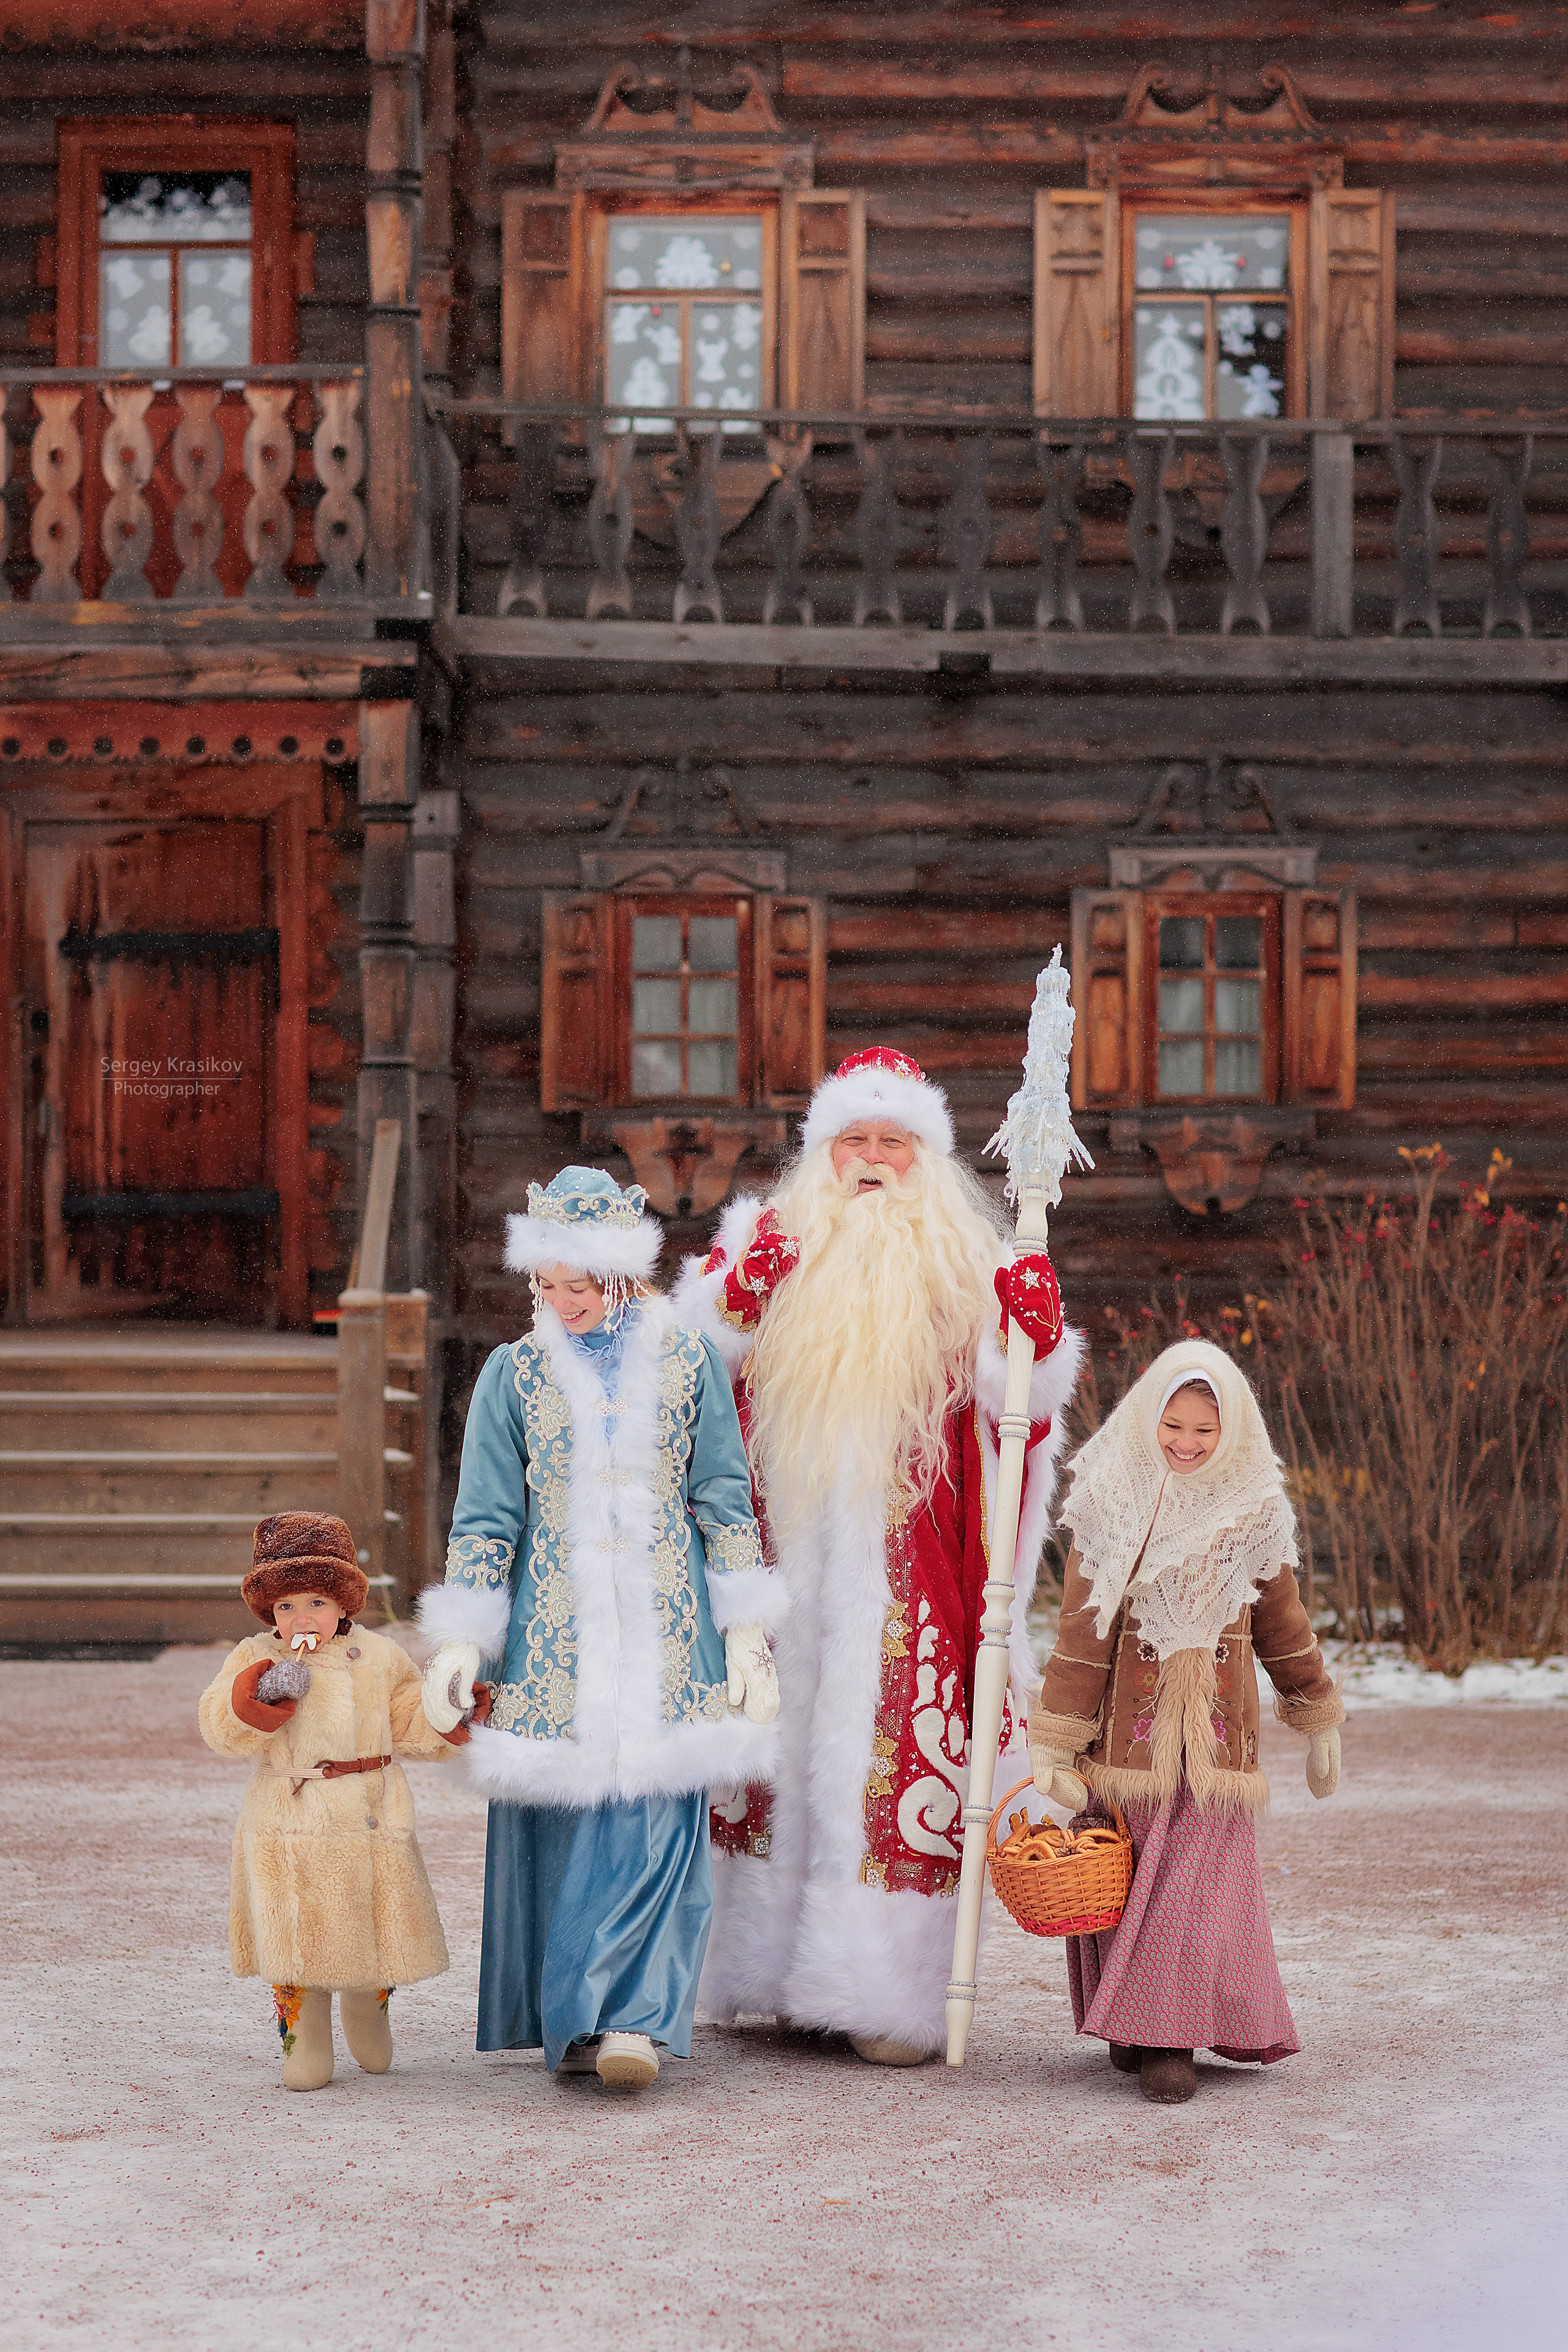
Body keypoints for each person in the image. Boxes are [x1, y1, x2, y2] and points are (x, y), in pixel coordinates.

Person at [672, 1046, 1082, 2064]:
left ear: (924, 1160)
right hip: (781, 1555)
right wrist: (735, 1301)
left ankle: (883, 1990)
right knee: (777, 1754)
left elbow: (1015, 1416)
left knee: (894, 1757)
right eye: (851, 1141)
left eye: (891, 1143)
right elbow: (689, 1368)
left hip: (911, 1564)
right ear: (822, 1153)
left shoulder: (968, 1269)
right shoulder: (762, 1244)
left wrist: (1026, 1337)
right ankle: (769, 1970)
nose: (869, 1160)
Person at [418, 1167, 784, 2092]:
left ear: (622, 1277)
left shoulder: (689, 1363)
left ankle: (638, 2022)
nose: (561, 1302)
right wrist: (462, 1640)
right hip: (557, 1637)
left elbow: (725, 1497)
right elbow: (486, 1517)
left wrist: (745, 1634)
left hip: (671, 1628)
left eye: (578, 1284)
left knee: (657, 1816)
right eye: (546, 1285)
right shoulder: (515, 1373)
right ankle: (576, 2016)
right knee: (572, 1820)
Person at [1028, 1338, 1345, 2105]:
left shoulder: (1251, 1510)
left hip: (1211, 1744)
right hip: (1126, 1741)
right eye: (1174, 1425)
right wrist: (1057, 1739)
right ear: (1150, 1417)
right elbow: (1082, 1632)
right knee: (1125, 1882)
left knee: (1191, 1892)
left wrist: (1315, 1714)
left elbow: (1282, 1623)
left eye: (1205, 1430)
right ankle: (1130, 2022)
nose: (1187, 1443)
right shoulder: (1112, 1502)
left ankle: (1170, 2040)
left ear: (1230, 1431)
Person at [198, 1512, 467, 2092]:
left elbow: (408, 1721)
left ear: (344, 1604)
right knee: (298, 1934)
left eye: (316, 1601)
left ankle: (368, 2007)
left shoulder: (380, 1656)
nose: (302, 1618)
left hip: (370, 1808)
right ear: (270, 1613)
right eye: (286, 1606)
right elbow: (220, 1724)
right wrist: (259, 1698)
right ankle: (304, 2030)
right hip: (291, 1816)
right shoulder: (255, 1656)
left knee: (370, 1925)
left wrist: (447, 1711)